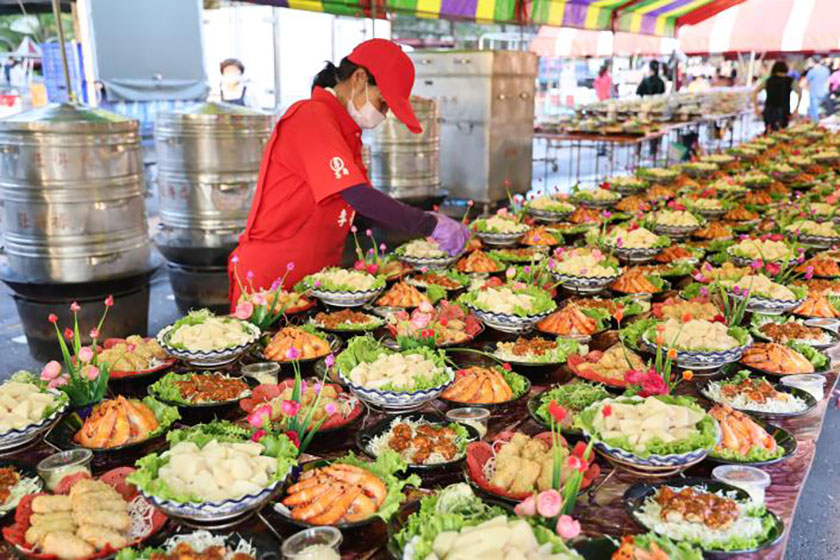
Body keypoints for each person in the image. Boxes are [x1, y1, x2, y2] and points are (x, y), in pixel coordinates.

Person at [227, 39, 470, 306]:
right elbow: (358, 196)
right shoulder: (311, 116)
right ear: (359, 78)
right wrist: (428, 224)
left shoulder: (345, 131)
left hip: (314, 278)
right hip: (271, 280)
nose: (384, 114)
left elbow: (361, 211)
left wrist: (417, 238)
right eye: (383, 102)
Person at [752, 61, 801, 132]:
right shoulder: (790, 81)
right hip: (784, 110)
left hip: (769, 110)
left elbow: (755, 91)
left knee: (769, 131)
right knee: (782, 132)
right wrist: (796, 108)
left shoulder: (768, 80)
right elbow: (799, 92)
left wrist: (756, 107)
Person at [805, 55, 830, 122]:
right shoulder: (826, 70)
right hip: (824, 94)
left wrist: (807, 88)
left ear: (813, 62)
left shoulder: (812, 72)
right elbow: (828, 82)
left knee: (815, 117)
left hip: (814, 95)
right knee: (824, 114)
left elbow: (803, 83)